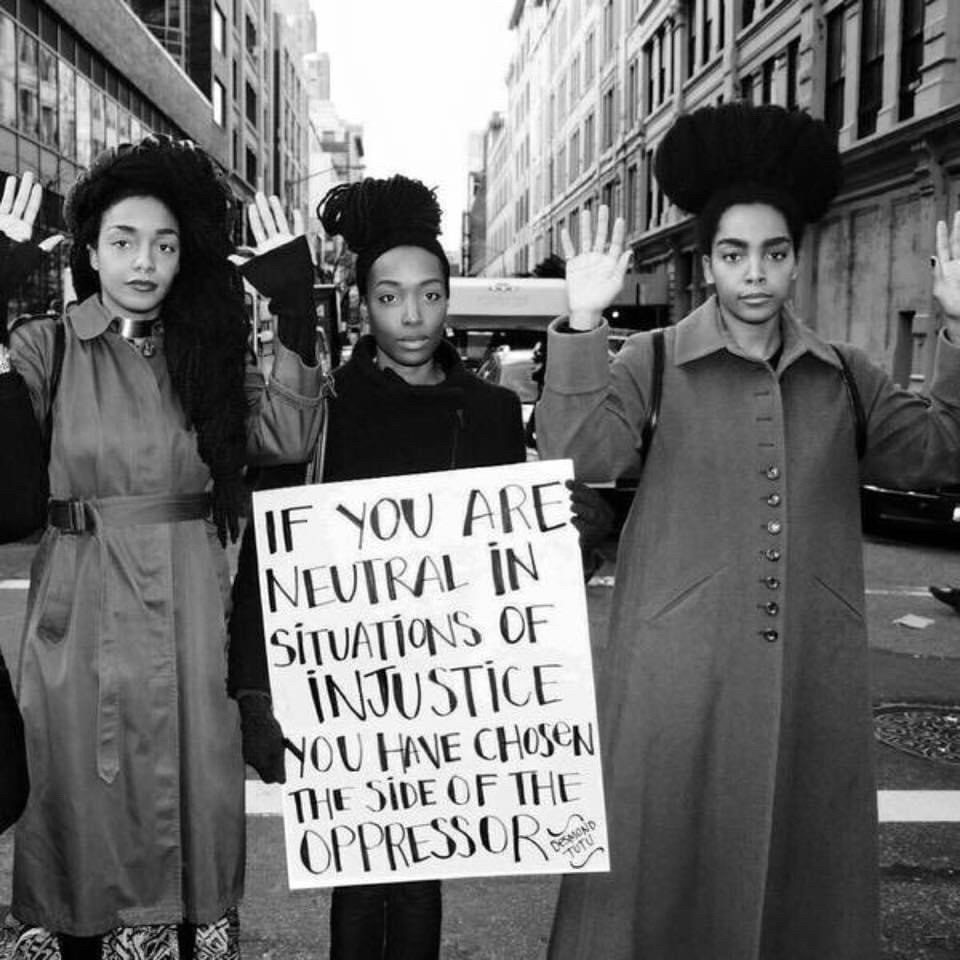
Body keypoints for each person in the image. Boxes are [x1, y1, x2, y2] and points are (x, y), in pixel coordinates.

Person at [536, 102, 960, 960]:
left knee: (798, 881)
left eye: (773, 253)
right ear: (708, 263)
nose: (754, 274)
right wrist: (584, 327)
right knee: (656, 876)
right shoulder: (648, 360)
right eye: (734, 254)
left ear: (797, 260)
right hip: (674, 686)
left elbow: (939, 455)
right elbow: (578, 453)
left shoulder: (847, 373)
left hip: (810, 677)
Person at [0, 138, 325, 959]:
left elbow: (287, 434)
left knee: (196, 794)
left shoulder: (209, 354)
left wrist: (295, 311)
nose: (145, 260)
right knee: (76, 796)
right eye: (123, 240)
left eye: (166, 243)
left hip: (190, 608)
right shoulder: (50, 345)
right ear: (90, 251)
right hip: (80, 606)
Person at [227, 174, 526, 960]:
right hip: (343, 685)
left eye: (429, 295)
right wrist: (254, 689)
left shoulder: (492, 415)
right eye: (391, 296)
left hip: (451, 682)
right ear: (363, 303)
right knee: (356, 883)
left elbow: (524, 563)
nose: (413, 315)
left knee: (425, 878)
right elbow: (270, 549)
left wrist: (572, 525)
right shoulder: (325, 411)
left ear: (448, 299)